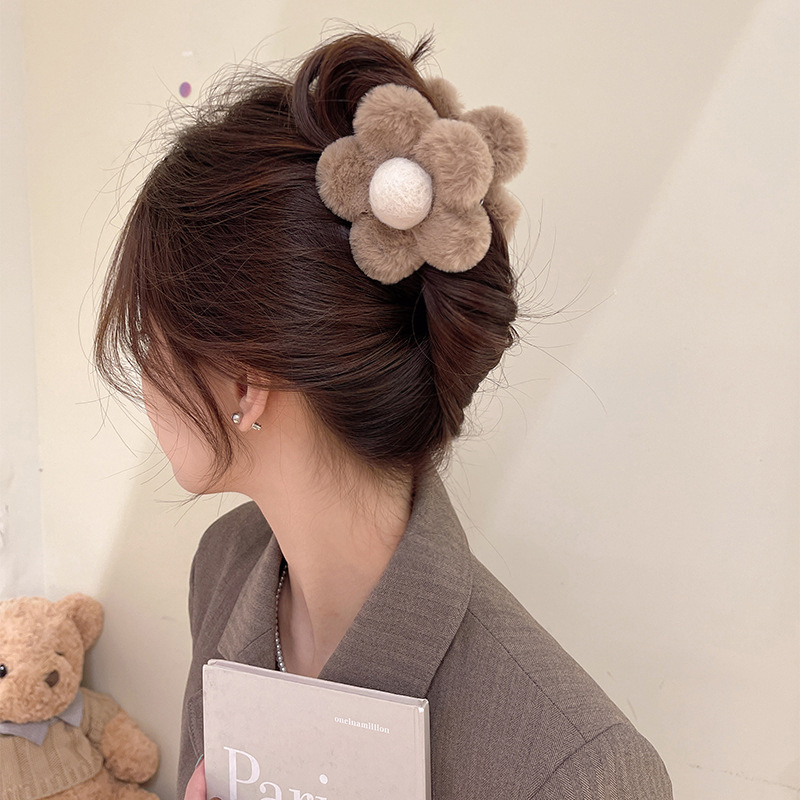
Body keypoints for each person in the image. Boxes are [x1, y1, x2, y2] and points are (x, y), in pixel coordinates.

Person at [94, 31, 672, 800]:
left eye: (150, 338)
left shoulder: (580, 774)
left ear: (243, 381)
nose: (142, 374)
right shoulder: (224, 568)